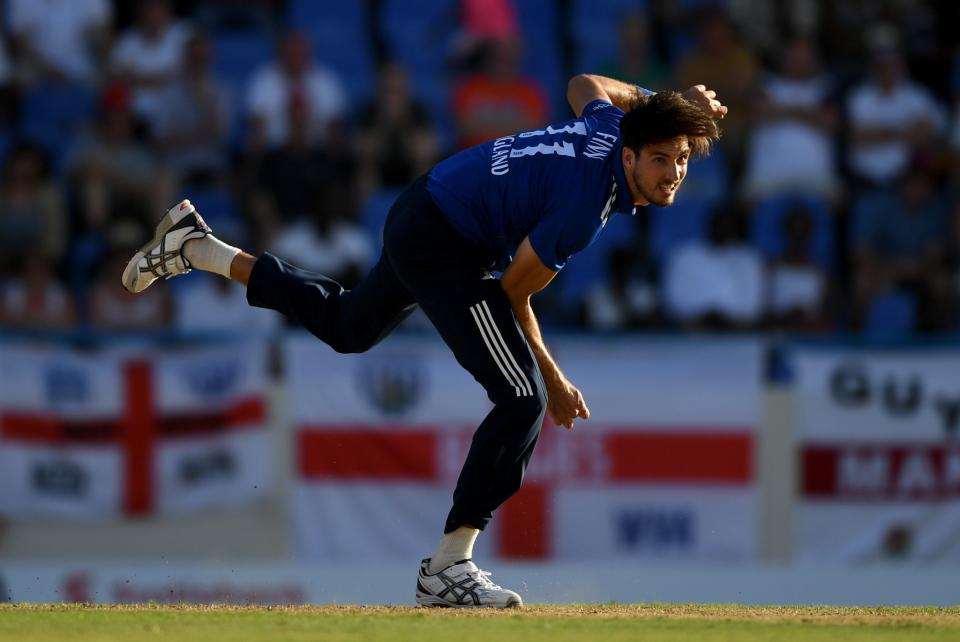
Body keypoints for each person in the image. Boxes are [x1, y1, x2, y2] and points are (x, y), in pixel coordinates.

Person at [121, 74, 725, 608]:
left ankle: (200, 248)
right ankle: (448, 566)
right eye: (661, 158)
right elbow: (513, 295)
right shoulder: (584, 208)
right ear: (629, 156)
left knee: (348, 327)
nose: (673, 172)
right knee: (523, 398)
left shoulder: (612, 125)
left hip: (427, 206)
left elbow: (583, 84)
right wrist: (554, 376)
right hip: (445, 241)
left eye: (681, 159)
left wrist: (659, 107)